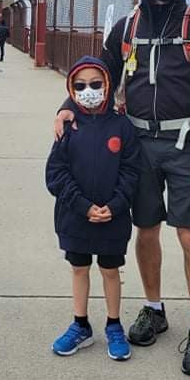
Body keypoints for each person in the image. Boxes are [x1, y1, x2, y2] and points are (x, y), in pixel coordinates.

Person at [53, 0, 190, 378]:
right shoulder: (127, 28)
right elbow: (98, 73)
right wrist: (67, 106)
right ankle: (154, 309)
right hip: (137, 143)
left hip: (188, 143)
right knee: (145, 231)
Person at [46, 56, 140, 361]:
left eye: (96, 84)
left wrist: (115, 205)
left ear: (108, 86)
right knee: (79, 268)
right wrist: (83, 207)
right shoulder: (68, 126)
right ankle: (80, 324)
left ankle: (114, 325)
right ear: (71, 91)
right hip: (75, 218)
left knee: (111, 270)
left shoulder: (122, 127)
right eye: (81, 86)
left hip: (113, 219)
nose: (89, 91)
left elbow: (131, 171)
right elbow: (56, 174)